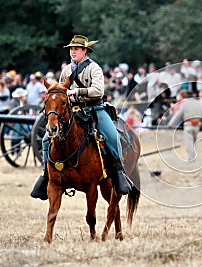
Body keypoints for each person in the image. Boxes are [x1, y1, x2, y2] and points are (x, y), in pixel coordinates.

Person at [31, 35, 132, 200]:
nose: (73, 52)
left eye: (76, 49)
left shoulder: (94, 69)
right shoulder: (66, 70)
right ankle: (46, 175)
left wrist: (76, 92)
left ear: (85, 50)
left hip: (94, 109)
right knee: (45, 140)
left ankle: (118, 173)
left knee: (112, 136)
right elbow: (62, 91)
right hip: (71, 112)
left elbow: (98, 91)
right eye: (71, 49)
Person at [168, 90, 202, 162]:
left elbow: (178, 115)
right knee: (193, 142)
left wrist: (170, 124)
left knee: (189, 143)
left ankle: (191, 158)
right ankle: (193, 156)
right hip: (197, 125)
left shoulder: (184, 104)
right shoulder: (199, 103)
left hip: (188, 124)